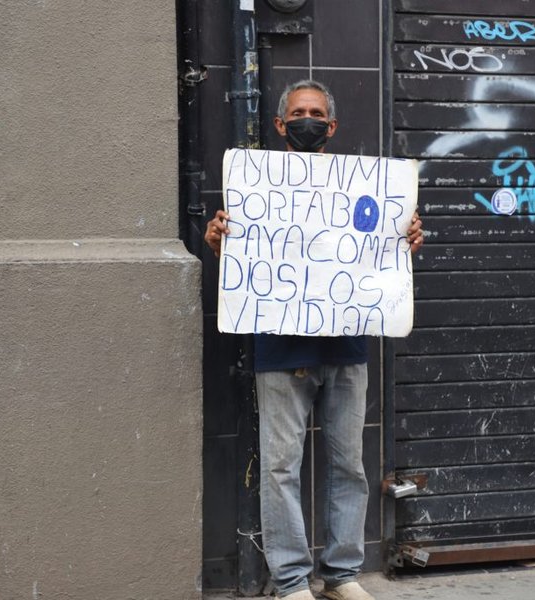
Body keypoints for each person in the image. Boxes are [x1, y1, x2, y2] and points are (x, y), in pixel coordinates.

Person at [204, 80, 424, 600]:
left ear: (332, 125)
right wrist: (220, 243)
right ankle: (290, 581)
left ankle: (342, 575)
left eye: (317, 113)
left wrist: (403, 239)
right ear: (281, 125)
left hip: (346, 348)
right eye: (300, 112)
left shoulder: (365, 187)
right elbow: (245, 255)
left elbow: (379, 253)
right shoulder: (256, 187)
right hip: (281, 350)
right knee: (281, 468)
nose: (309, 120)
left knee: (349, 465)